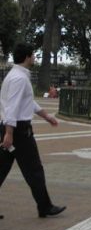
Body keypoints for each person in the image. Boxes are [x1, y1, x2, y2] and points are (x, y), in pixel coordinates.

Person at [0, 43, 66, 218]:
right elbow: (13, 108)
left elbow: (27, 103)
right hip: (19, 131)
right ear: (27, 57)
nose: (35, 58)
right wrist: (9, 133)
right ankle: (45, 206)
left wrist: (46, 116)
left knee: (2, 169)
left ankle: (45, 206)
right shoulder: (19, 79)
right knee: (34, 169)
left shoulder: (14, 76)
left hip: (13, 129)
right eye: (34, 55)